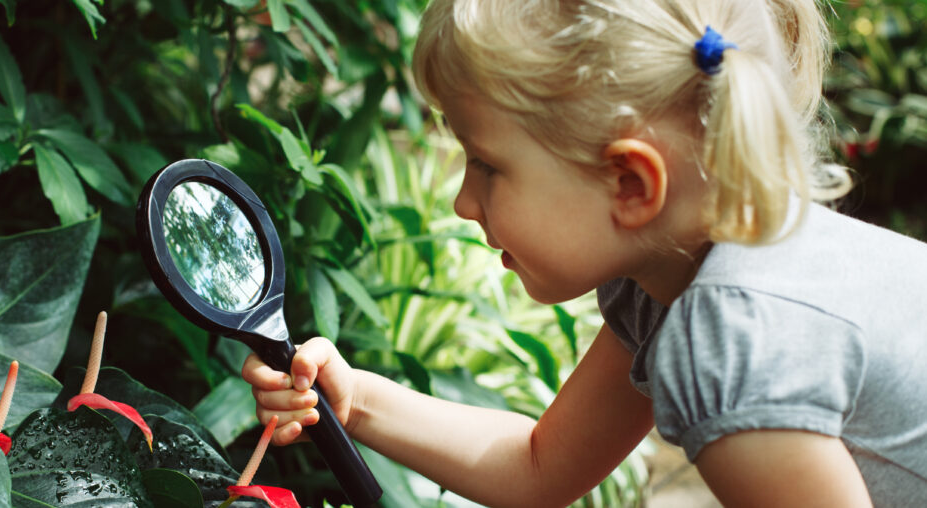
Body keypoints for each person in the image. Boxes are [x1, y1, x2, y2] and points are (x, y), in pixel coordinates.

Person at [241, 0, 927, 505]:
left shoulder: (734, 335)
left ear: (631, 183)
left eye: (487, 166)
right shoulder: (678, 279)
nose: (461, 202)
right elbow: (541, 467)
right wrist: (353, 400)